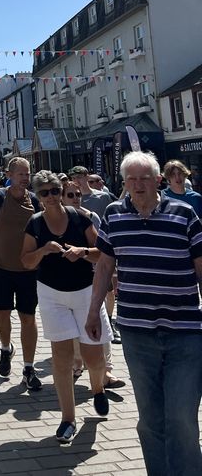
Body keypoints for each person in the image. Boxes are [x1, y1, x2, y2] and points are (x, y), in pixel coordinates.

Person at [85, 151, 202, 476]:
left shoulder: (184, 213)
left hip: (185, 333)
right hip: (138, 334)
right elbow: (105, 265)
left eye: (144, 178)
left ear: (158, 180)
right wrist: (94, 311)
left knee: (181, 417)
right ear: (124, 183)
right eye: (131, 179)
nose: (138, 185)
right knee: (150, 420)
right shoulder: (113, 215)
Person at [21, 171, 111, 445]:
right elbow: (25, 261)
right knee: (61, 358)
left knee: (93, 358)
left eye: (54, 191)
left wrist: (82, 252)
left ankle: (97, 389)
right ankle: (67, 420)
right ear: (37, 196)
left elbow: (103, 254)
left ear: (61, 192)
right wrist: (42, 251)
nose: (50, 197)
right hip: (51, 294)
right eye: (44, 193)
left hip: (85, 293)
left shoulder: (80, 218)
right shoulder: (35, 224)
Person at [0, 157, 42, 391]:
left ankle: (28, 368)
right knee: (0, 316)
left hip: (28, 270)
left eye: (28, 173)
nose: (25, 177)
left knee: (28, 318)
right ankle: (6, 348)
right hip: (1, 268)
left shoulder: (35, 201)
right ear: (9, 174)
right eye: (21, 173)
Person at [61, 181, 124, 389]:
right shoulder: (55, 221)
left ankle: (106, 373)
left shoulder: (90, 217)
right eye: (70, 195)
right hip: (64, 285)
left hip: (91, 280)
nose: (76, 198)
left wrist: (88, 256)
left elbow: (103, 250)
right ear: (62, 198)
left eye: (78, 194)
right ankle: (77, 364)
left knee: (103, 329)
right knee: (75, 332)